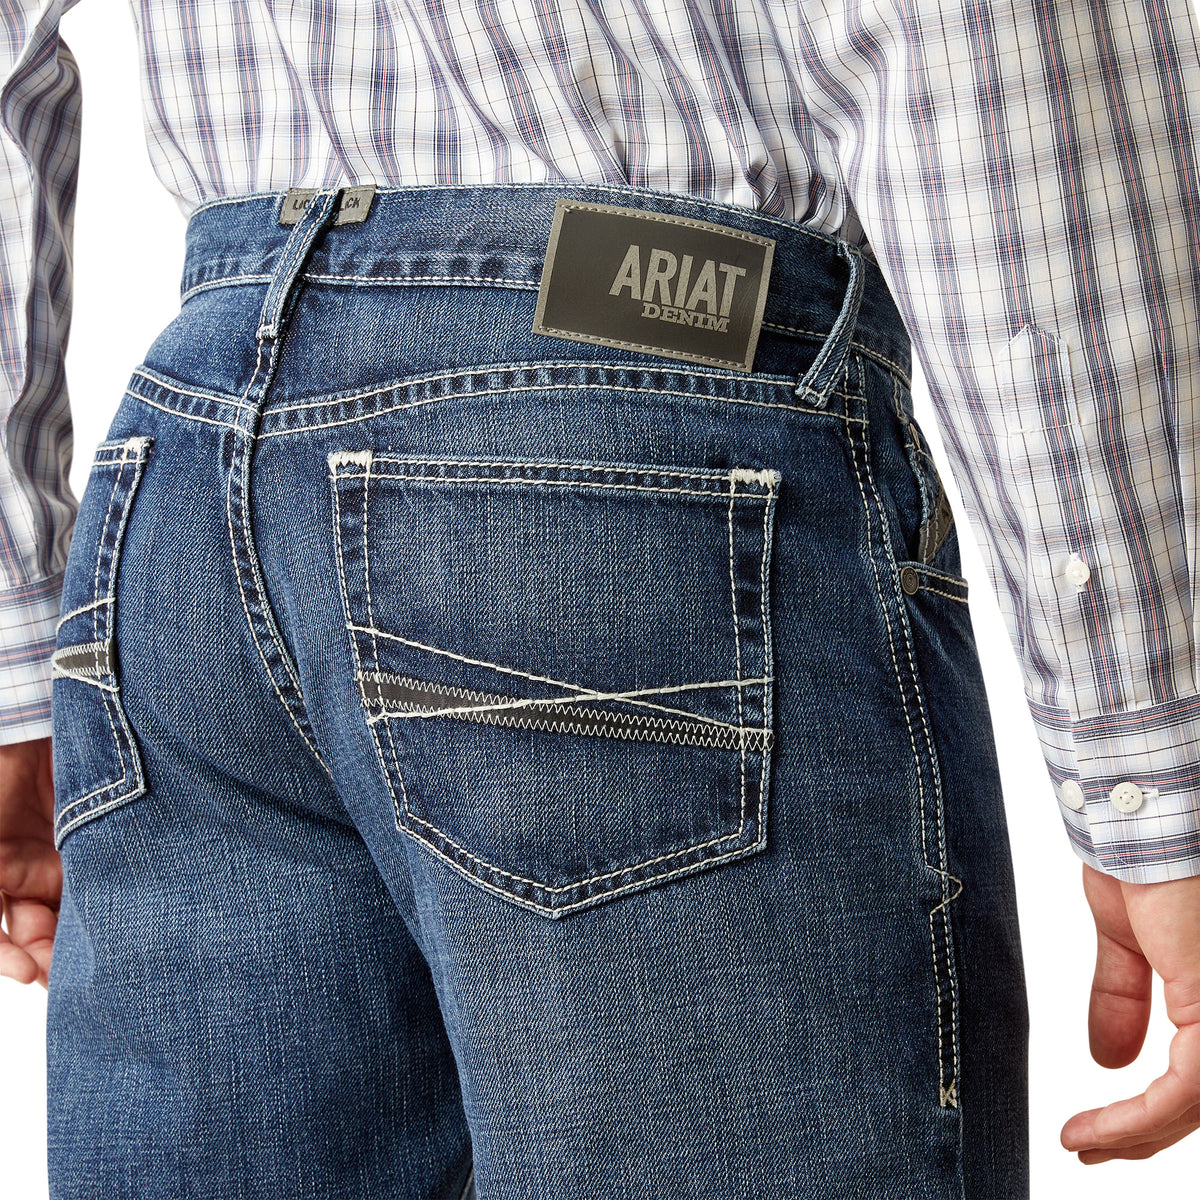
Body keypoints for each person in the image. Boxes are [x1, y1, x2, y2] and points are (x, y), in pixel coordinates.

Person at [2, 0, 1200, 1195]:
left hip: (189, 481)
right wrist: (1151, 755)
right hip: (638, 420)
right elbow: (980, 45)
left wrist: (11, 639)